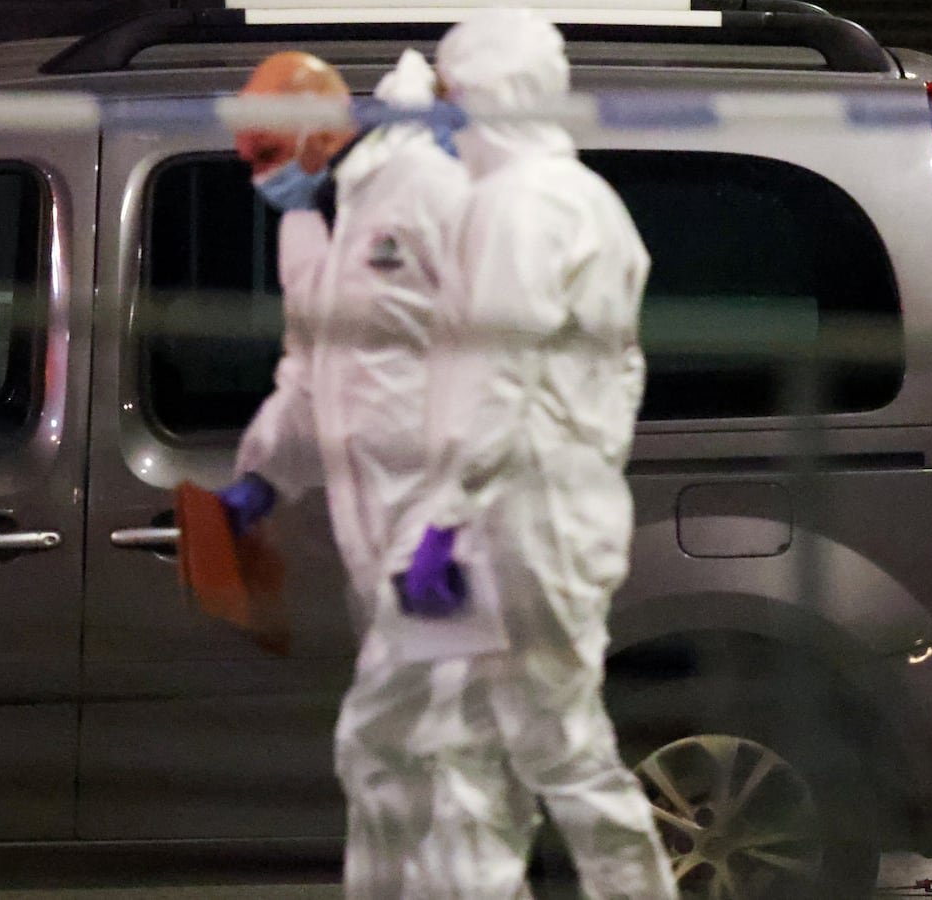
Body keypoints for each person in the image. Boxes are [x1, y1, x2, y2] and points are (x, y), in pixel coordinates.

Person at [357, 10, 680, 899]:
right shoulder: (587, 200)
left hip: (517, 518)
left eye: (455, 98)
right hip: (562, 508)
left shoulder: (517, 207)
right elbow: (614, 375)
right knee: (522, 751)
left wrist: (440, 527)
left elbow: (489, 378)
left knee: (535, 752)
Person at [220, 48, 498, 898]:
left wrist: (449, 530)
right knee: (390, 777)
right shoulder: (320, 218)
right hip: (384, 556)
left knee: (440, 788)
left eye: (266, 154)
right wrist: (260, 477)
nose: (253, 172)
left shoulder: (426, 192)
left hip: (452, 555)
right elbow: (317, 373)